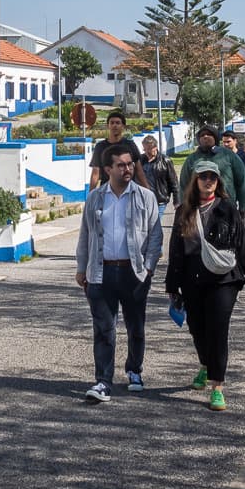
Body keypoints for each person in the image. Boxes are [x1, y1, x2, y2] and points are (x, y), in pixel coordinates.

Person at [164, 160, 245, 412]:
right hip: (192, 279)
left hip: (223, 280)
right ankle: (205, 365)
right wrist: (172, 284)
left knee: (217, 329)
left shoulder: (227, 208)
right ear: (195, 181)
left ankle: (217, 385)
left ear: (218, 182)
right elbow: (176, 250)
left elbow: (242, 243)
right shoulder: (184, 210)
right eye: (203, 177)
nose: (208, 181)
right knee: (197, 328)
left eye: (213, 178)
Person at [75, 142, 164, 402]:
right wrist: (82, 268)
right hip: (101, 273)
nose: (128, 169)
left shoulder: (145, 197)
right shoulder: (95, 198)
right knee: (104, 329)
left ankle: (135, 370)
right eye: (121, 165)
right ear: (107, 169)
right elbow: (85, 235)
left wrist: (148, 268)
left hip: (133, 273)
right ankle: (103, 381)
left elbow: (156, 236)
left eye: (129, 164)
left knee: (136, 327)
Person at [178, 126, 245, 217]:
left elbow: (243, 182)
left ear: (215, 138)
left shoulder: (228, 156)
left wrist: (242, 208)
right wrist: (183, 208)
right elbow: (183, 185)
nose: (205, 137)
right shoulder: (191, 159)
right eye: (202, 135)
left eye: (209, 134)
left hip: (226, 208)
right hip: (198, 209)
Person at [87, 110, 147, 189]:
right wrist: (91, 196)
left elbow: (139, 170)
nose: (114, 125)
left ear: (123, 126)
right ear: (108, 126)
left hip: (128, 190)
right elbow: (95, 173)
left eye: (118, 123)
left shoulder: (130, 145)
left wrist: (147, 189)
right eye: (112, 123)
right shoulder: (100, 146)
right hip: (107, 191)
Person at [140, 133, 179, 217]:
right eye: (145, 149)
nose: (147, 151)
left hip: (159, 200)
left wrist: (176, 201)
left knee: (155, 225)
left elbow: (174, 182)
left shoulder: (165, 161)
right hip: (143, 200)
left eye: (149, 149)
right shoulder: (140, 160)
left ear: (155, 147)